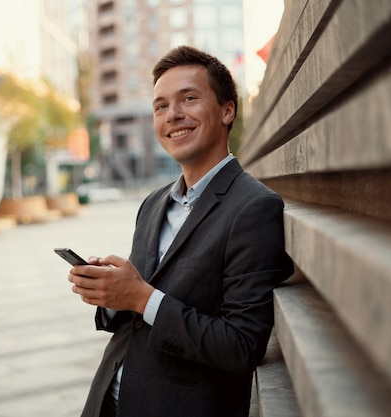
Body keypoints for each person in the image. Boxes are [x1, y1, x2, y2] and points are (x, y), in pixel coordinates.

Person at [67, 45, 294, 417]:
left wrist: (142, 297)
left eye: (188, 98)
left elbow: (241, 345)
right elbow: (141, 308)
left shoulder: (255, 208)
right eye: (160, 106)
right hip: (109, 400)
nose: (173, 115)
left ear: (227, 110)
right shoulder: (153, 204)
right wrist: (112, 295)